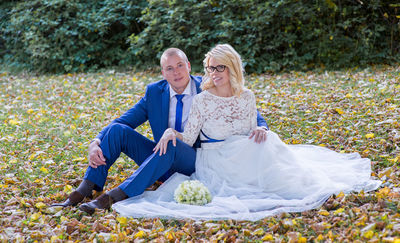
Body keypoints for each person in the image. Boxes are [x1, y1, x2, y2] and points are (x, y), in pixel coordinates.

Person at [113, 44, 381, 221]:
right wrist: (173, 132)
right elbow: (190, 137)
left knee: (272, 152)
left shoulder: (247, 96)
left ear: (232, 68)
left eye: (221, 67)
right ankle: (119, 194)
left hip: (242, 152)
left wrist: (261, 129)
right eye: (211, 68)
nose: (215, 73)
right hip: (214, 159)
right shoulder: (203, 99)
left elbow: (253, 123)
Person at [51, 47, 269, 214]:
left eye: (180, 65)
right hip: (160, 160)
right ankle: (86, 187)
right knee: (117, 131)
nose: (176, 72)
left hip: (196, 162)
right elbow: (123, 121)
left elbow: (241, 104)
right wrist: (95, 141)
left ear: (189, 66)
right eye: (170, 68)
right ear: (163, 72)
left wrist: (261, 126)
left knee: (173, 142)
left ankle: (114, 196)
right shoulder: (154, 92)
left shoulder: (209, 85)